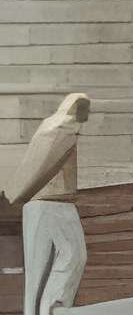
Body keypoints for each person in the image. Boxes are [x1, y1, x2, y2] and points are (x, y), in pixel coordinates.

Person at [3, 93, 90, 315]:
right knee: (73, 256)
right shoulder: (64, 127)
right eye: (85, 108)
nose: (88, 114)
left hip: (43, 205)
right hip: (52, 204)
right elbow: (41, 163)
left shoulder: (52, 126)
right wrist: (16, 191)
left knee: (38, 274)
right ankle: (53, 308)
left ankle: (46, 309)